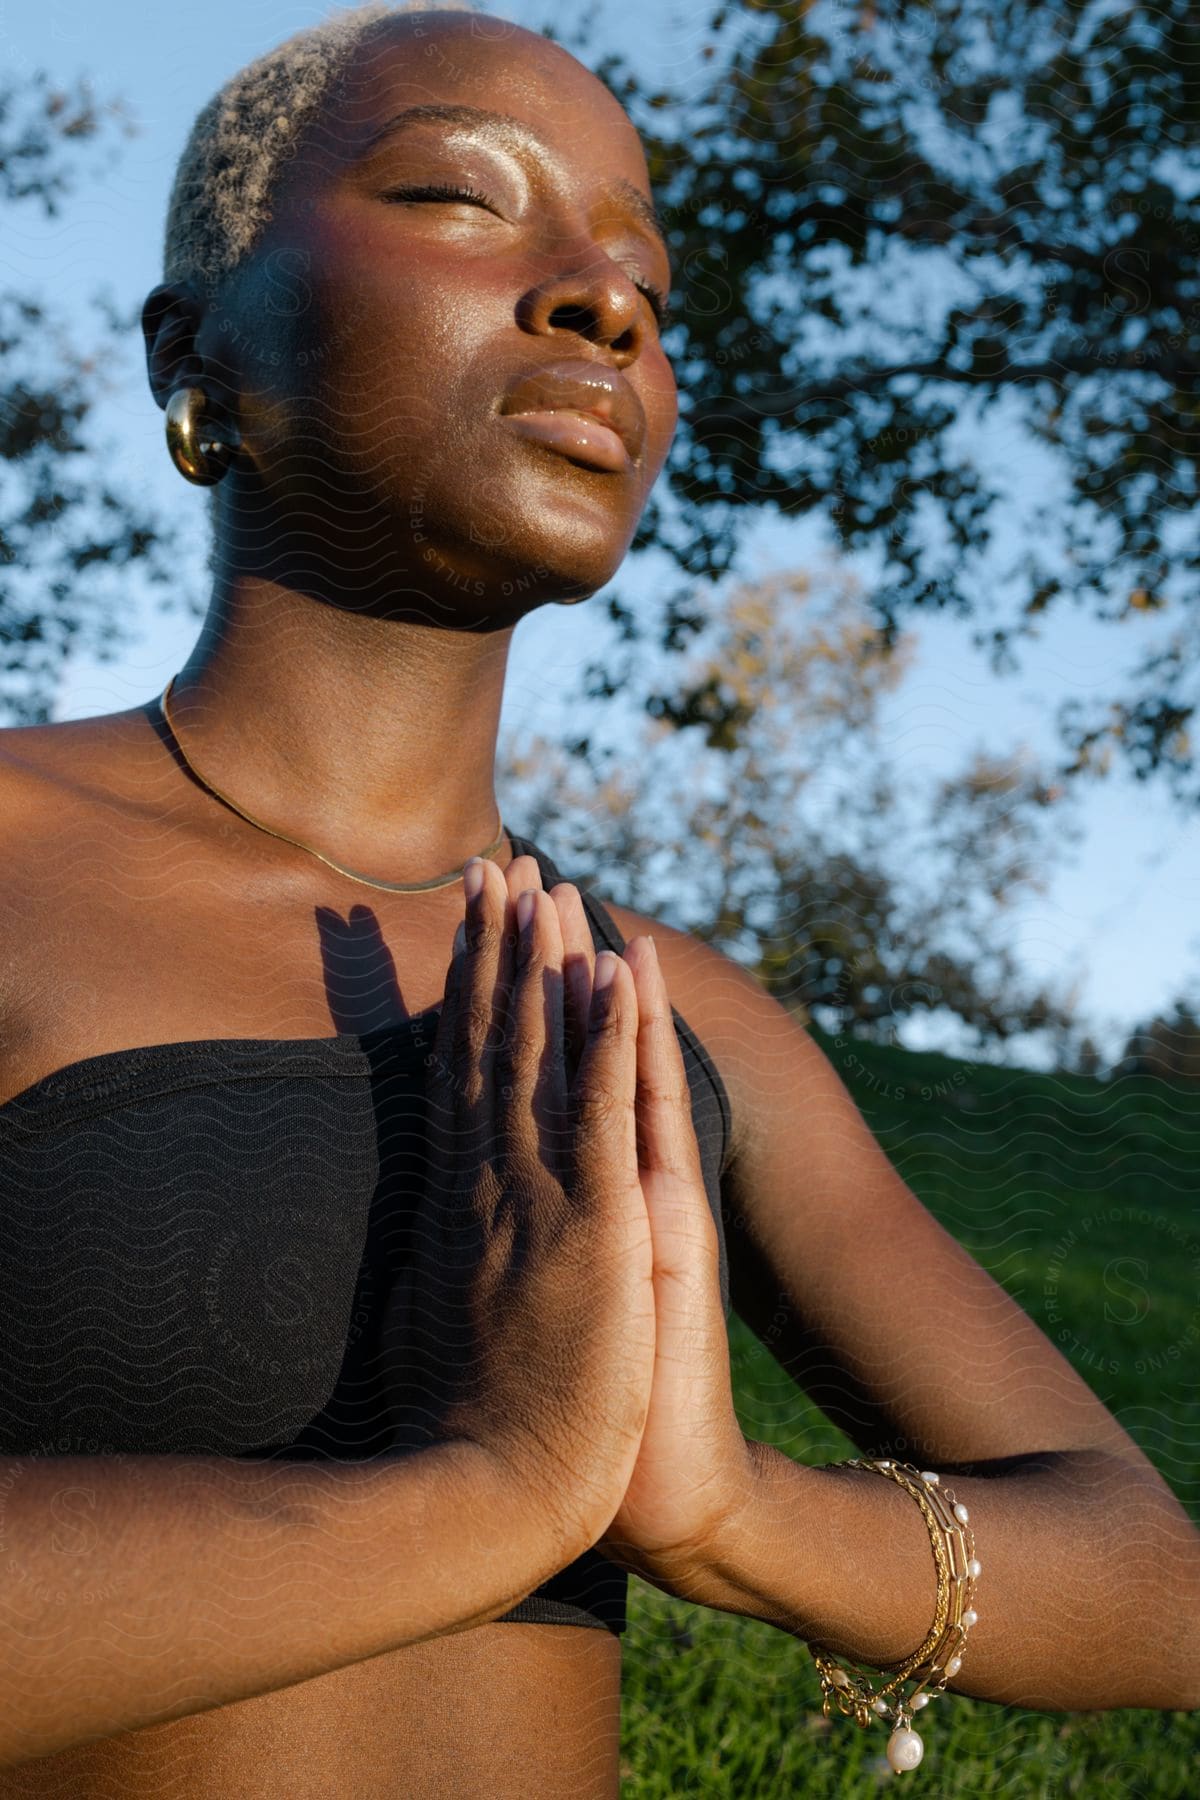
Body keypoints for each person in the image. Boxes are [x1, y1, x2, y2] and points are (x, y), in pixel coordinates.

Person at [0, 3, 1195, 1794]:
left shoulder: (673, 1011)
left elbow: (1151, 1578)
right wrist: (491, 1496)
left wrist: (731, 1514)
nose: (603, 298)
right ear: (204, 351)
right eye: (464, 197)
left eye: (644, 274)